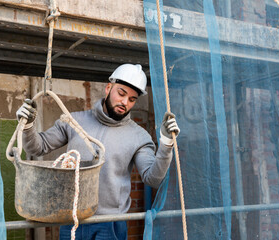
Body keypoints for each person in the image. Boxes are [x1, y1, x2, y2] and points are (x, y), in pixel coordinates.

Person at [16, 63, 180, 240]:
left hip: (110, 224)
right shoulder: (74, 121)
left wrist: (166, 144)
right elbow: (36, 147)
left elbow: (152, 178)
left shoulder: (139, 136)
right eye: (121, 93)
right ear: (108, 88)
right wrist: (28, 125)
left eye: (132, 99)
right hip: (71, 219)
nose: (124, 102)